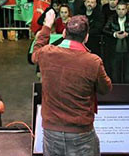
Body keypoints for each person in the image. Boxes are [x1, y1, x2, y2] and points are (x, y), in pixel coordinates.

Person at [32, 9, 112, 156]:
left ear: (64, 33)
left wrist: (47, 26)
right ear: (86, 37)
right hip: (81, 131)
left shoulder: (46, 53)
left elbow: (35, 52)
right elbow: (105, 89)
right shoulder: (93, 61)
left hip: (51, 129)